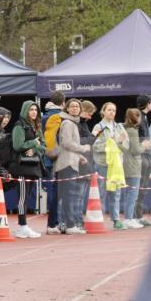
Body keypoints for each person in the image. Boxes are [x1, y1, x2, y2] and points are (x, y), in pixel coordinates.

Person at [54, 98, 91, 234]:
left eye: (77, 106)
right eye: (72, 106)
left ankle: (65, 224)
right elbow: (66, 143)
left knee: (65, 195)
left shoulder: (72, 123)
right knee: (68, 195)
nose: (75, 108)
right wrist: (83, 149)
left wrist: (79, 156)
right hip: (67, 164)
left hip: (70, 162)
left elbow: (68, 147)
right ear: (67, 109)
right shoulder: (68, 123)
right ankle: (69, 225)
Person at [9, 101, 44, 239]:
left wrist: (34, 149)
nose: (34, 112)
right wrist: (33, 143)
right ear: (25, 111)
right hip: (21, 167)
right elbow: (17, 145)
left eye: (35, 110)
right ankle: (22, 226)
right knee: (22, 197)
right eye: (31, 109)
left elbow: (43, 145)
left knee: (26, 197)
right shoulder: (19, 126)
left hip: (33, 167)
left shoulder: (37, 126)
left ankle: (23, 226)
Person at [92, 102, 129, 230]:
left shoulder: (119, 127)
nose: (112, 112)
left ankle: (116, 219)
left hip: (116, 165)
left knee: (116, 192)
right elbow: (95, 145)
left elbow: (126, 145)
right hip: (103, 163)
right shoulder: (98, 127)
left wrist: (121, 142)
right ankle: (99, 218)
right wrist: (111, 143)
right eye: (109, 110)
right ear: (103, 111)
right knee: (101, 192)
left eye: (114, 110)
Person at [41, 91, 65, 233]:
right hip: (55, 158)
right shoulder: (58, 117)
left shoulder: (45, 116)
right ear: (63, 103)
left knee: (52, 190)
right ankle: (53, 223)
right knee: (55, 192)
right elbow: (55, 139)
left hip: (47, 157)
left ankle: (54, 223)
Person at [121, 108, 145, 228]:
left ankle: (129, 217)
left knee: (128, 194)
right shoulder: (132, 131)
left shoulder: (124, 129)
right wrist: (144, 145)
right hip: (133, 166)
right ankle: (129, 219)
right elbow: (136, 150)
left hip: (125, 164)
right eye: (139, 116)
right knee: (132, 194)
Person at [136, 94, 151, 220]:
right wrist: (143, 144)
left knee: (143, 188)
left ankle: (139, 216)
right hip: (141, 156)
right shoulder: (138, 117)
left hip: (146, 156)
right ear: (147, 104)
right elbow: (134, 137)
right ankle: (136, 216)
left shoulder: (144, 117)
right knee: (139, 187)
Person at [77, 100, 97, 225]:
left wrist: (91, 139)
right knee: (77, 195)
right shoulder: (76, 123)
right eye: (89, 114)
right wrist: (92, 138)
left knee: (81, 195)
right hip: (79, 163)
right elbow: (78, 142)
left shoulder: (83, 124)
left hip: (86, 163)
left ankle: (78, 220)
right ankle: (75, 221)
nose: (90, 117)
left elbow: (87, 141)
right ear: (83, 110)